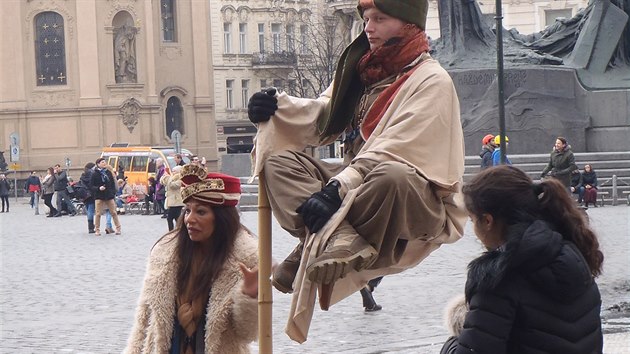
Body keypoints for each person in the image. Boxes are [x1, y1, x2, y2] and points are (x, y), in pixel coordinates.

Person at [248, 0, 466, 318]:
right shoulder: (362, 71)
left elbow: (394, 149)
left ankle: (315, 246)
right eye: (366, 18)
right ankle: (337, 237)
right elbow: (324, 112)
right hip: (353, 184)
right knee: (276, 160)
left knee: (392, 176)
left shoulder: (432, 80)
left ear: (408, 25)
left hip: (412, 199)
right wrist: (278, 108)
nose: (368, 26)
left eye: (379, 18)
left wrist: (335, 189)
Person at [440, 165, 603, 354]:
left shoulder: (498, 279)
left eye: (472, 220)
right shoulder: (575, 255)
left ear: (487, 221)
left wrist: (452, 344)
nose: (474, 231)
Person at [124, 165, 259, 354]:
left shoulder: (246, 260)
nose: (189, 219)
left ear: (221, 219)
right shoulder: (165, 254)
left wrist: (249, 296)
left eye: (201, 212)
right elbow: (143, 321)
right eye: (187, 210)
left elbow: (248, 333)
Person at [91, 158, 121, 236]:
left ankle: (118, 228)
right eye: (102, 162)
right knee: (98, 213)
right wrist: (98, 188)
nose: (104, 163)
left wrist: (112, 192)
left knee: (113, 212)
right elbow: (91, 186)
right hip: (99, 196)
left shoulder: (108, 172)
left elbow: (111, 184)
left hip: (109, 195)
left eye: (105, 162)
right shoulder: (94, 173)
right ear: (98, 164)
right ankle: (97, 229)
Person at [161, 165, 184, 231]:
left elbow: (172, 185)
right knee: (177, 218)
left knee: (170, 218)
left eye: (174, 171)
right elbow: (163, 182)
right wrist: (164, 176)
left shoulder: (180, 178)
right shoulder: (172, 178)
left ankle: (172, 231)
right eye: (172, 171)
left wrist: (168, 177)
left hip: (176, 201)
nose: (172, 172)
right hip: (172, 201)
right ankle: (179, 230)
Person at [78, 163, 97, 233]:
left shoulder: (83, 175)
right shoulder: (93, 174)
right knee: (91, 210)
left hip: (84, 195)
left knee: (88, 210)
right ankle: (91, 227)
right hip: (91, 194)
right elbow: (92, 185)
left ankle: (91, 225)